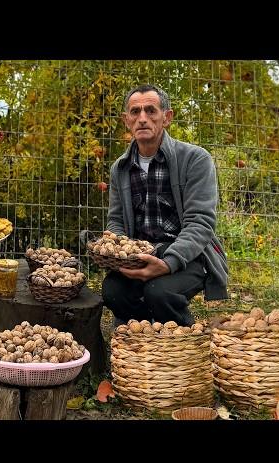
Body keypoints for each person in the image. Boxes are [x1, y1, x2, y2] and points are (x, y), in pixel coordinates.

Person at [101, 84, 228, 327]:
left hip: (187, 255)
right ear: (126, 120)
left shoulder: (195, 159)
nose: (142, 119)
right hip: (140, 254)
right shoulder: (120, 168)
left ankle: (183, 339)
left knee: (160, 293)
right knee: (113, 292)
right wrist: (119, 252)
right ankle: (142, 340)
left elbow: (200, 223)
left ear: (167, 118)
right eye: (135, 112)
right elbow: (116, 221)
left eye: (151, 111)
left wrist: (168, 263)